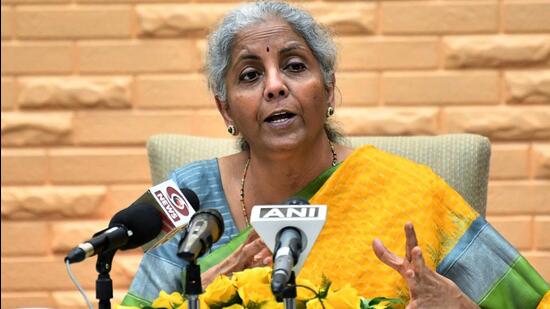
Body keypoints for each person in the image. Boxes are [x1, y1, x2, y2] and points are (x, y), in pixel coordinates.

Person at [122, 1, 550, 308]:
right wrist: (205, 291)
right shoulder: (185, 196)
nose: (274, 86)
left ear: (327, 89)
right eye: (250, 75)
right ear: (225, 107)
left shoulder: (406, 191)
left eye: (294, 66)